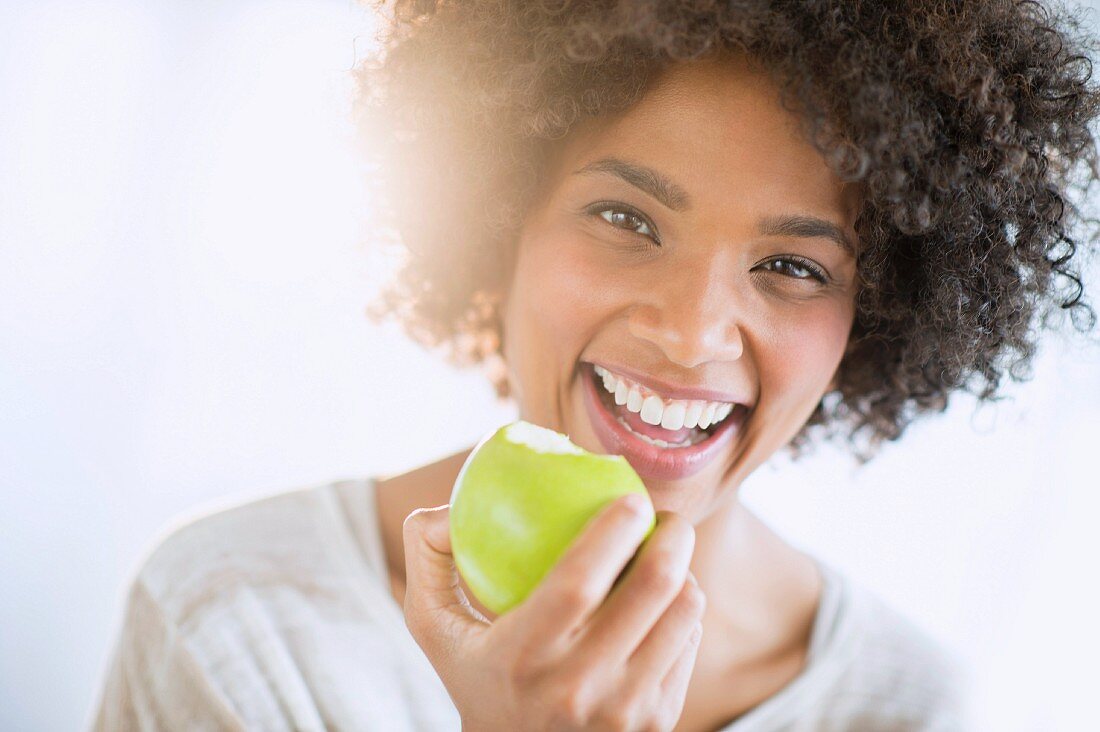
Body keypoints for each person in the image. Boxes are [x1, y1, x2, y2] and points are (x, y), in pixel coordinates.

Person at [91, 1, 1100, 730]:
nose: (689, 332)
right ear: (500, 219)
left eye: (791, 266)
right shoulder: (236, 622)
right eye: (626, 218)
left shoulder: (910, 712)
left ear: (874, 315)